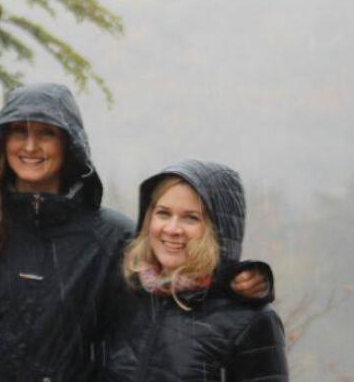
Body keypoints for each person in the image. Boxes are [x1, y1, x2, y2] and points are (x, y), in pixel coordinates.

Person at [0, 83, 271, 381]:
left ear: (70, 144)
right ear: (2, 141)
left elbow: (174, 292)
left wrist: (236, 281)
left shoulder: (111, 238)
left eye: (46, 132)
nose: (30, 146)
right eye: (19, 131)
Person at [104, 160, 288, 380]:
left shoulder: (250, 320)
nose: (172, 229)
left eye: (191, 218)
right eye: (163, 213)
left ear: (218, 229)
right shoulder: (129, 294)